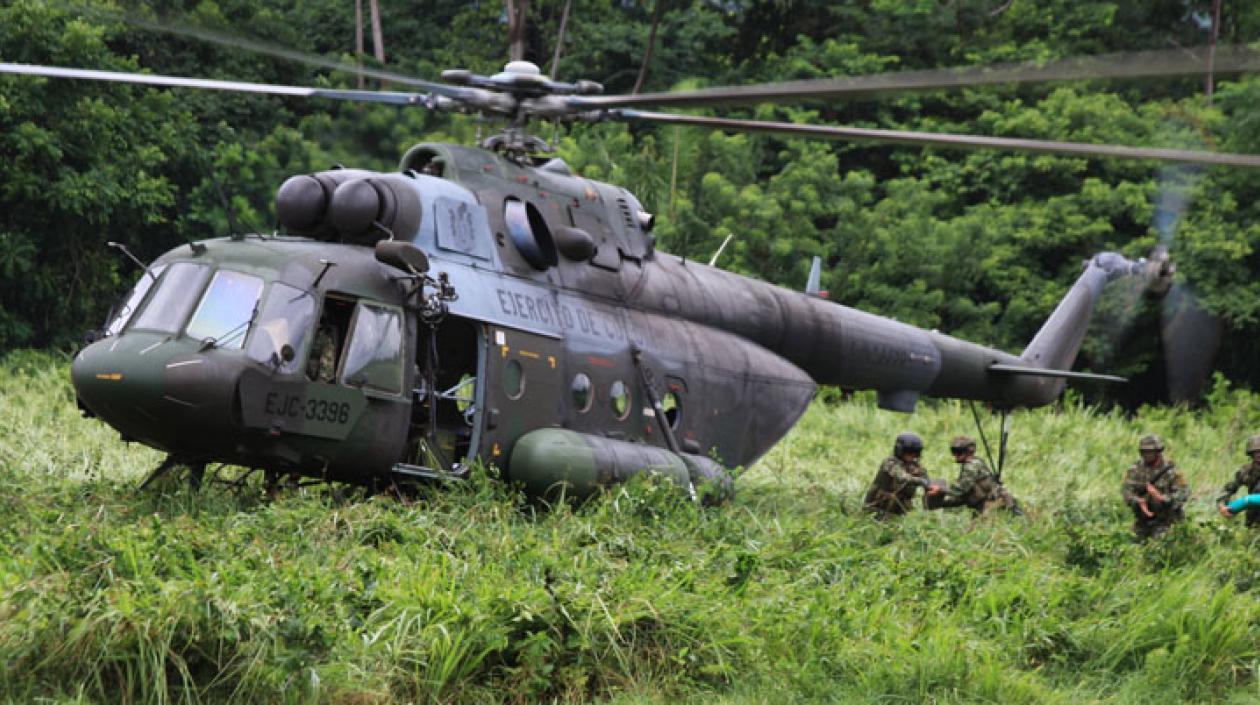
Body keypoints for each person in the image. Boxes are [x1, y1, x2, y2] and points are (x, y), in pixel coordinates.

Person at [1121, 434, 1189, 541]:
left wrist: (1161, 498)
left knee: (1160, 545)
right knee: (1130, 543)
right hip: (1143, 521)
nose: (1145, 455)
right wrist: (1137, 500)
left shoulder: (1172, 472)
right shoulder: (1135, 469)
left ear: (1158, 452)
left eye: (1149, 452)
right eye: (1143, 452)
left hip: (1167, 521)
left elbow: (1183, 494)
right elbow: (1126, 490)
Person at [939, 435, 1022, 515]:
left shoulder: (971, 467)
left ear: (968, 452)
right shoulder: (975, 462)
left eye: (959, 452)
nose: (956, 455)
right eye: (954, 451)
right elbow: (964, 496)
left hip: (995, 504)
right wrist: (942, 502)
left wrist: (940, 490)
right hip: (989, 504)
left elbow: (960, 489)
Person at [863, 432, 939, 520]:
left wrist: (931, 489)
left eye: (915, 453)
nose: (913, 456)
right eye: (909, 453)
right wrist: (921, 481)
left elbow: (927, 483)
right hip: (878, 506)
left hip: (900, 509)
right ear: (900, 451)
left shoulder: (916, 467)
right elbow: (901, 477)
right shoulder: (889, 463)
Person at [1216, 434, 1260, 525]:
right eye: (1256, 452)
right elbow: (1228, 489)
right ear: (1251, 454)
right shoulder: (1247, 471)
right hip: (1253, 518)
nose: (1259, 455)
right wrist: (1222, 506)